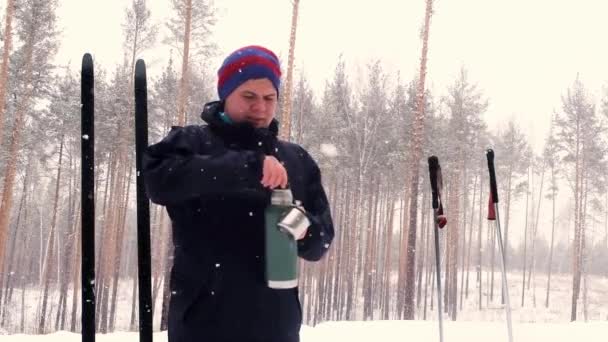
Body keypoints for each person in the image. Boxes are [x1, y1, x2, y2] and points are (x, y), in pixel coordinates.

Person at [143, 45, 335, 342]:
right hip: (202, 326)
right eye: (249, 96)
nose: (260, 107)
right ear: (226, 95)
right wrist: (248, 167)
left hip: (276, 328)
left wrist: (300, 225)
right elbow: (157, 180)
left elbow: (320, 243)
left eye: (269, 98)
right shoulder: (191, 142)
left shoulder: (296, 160)